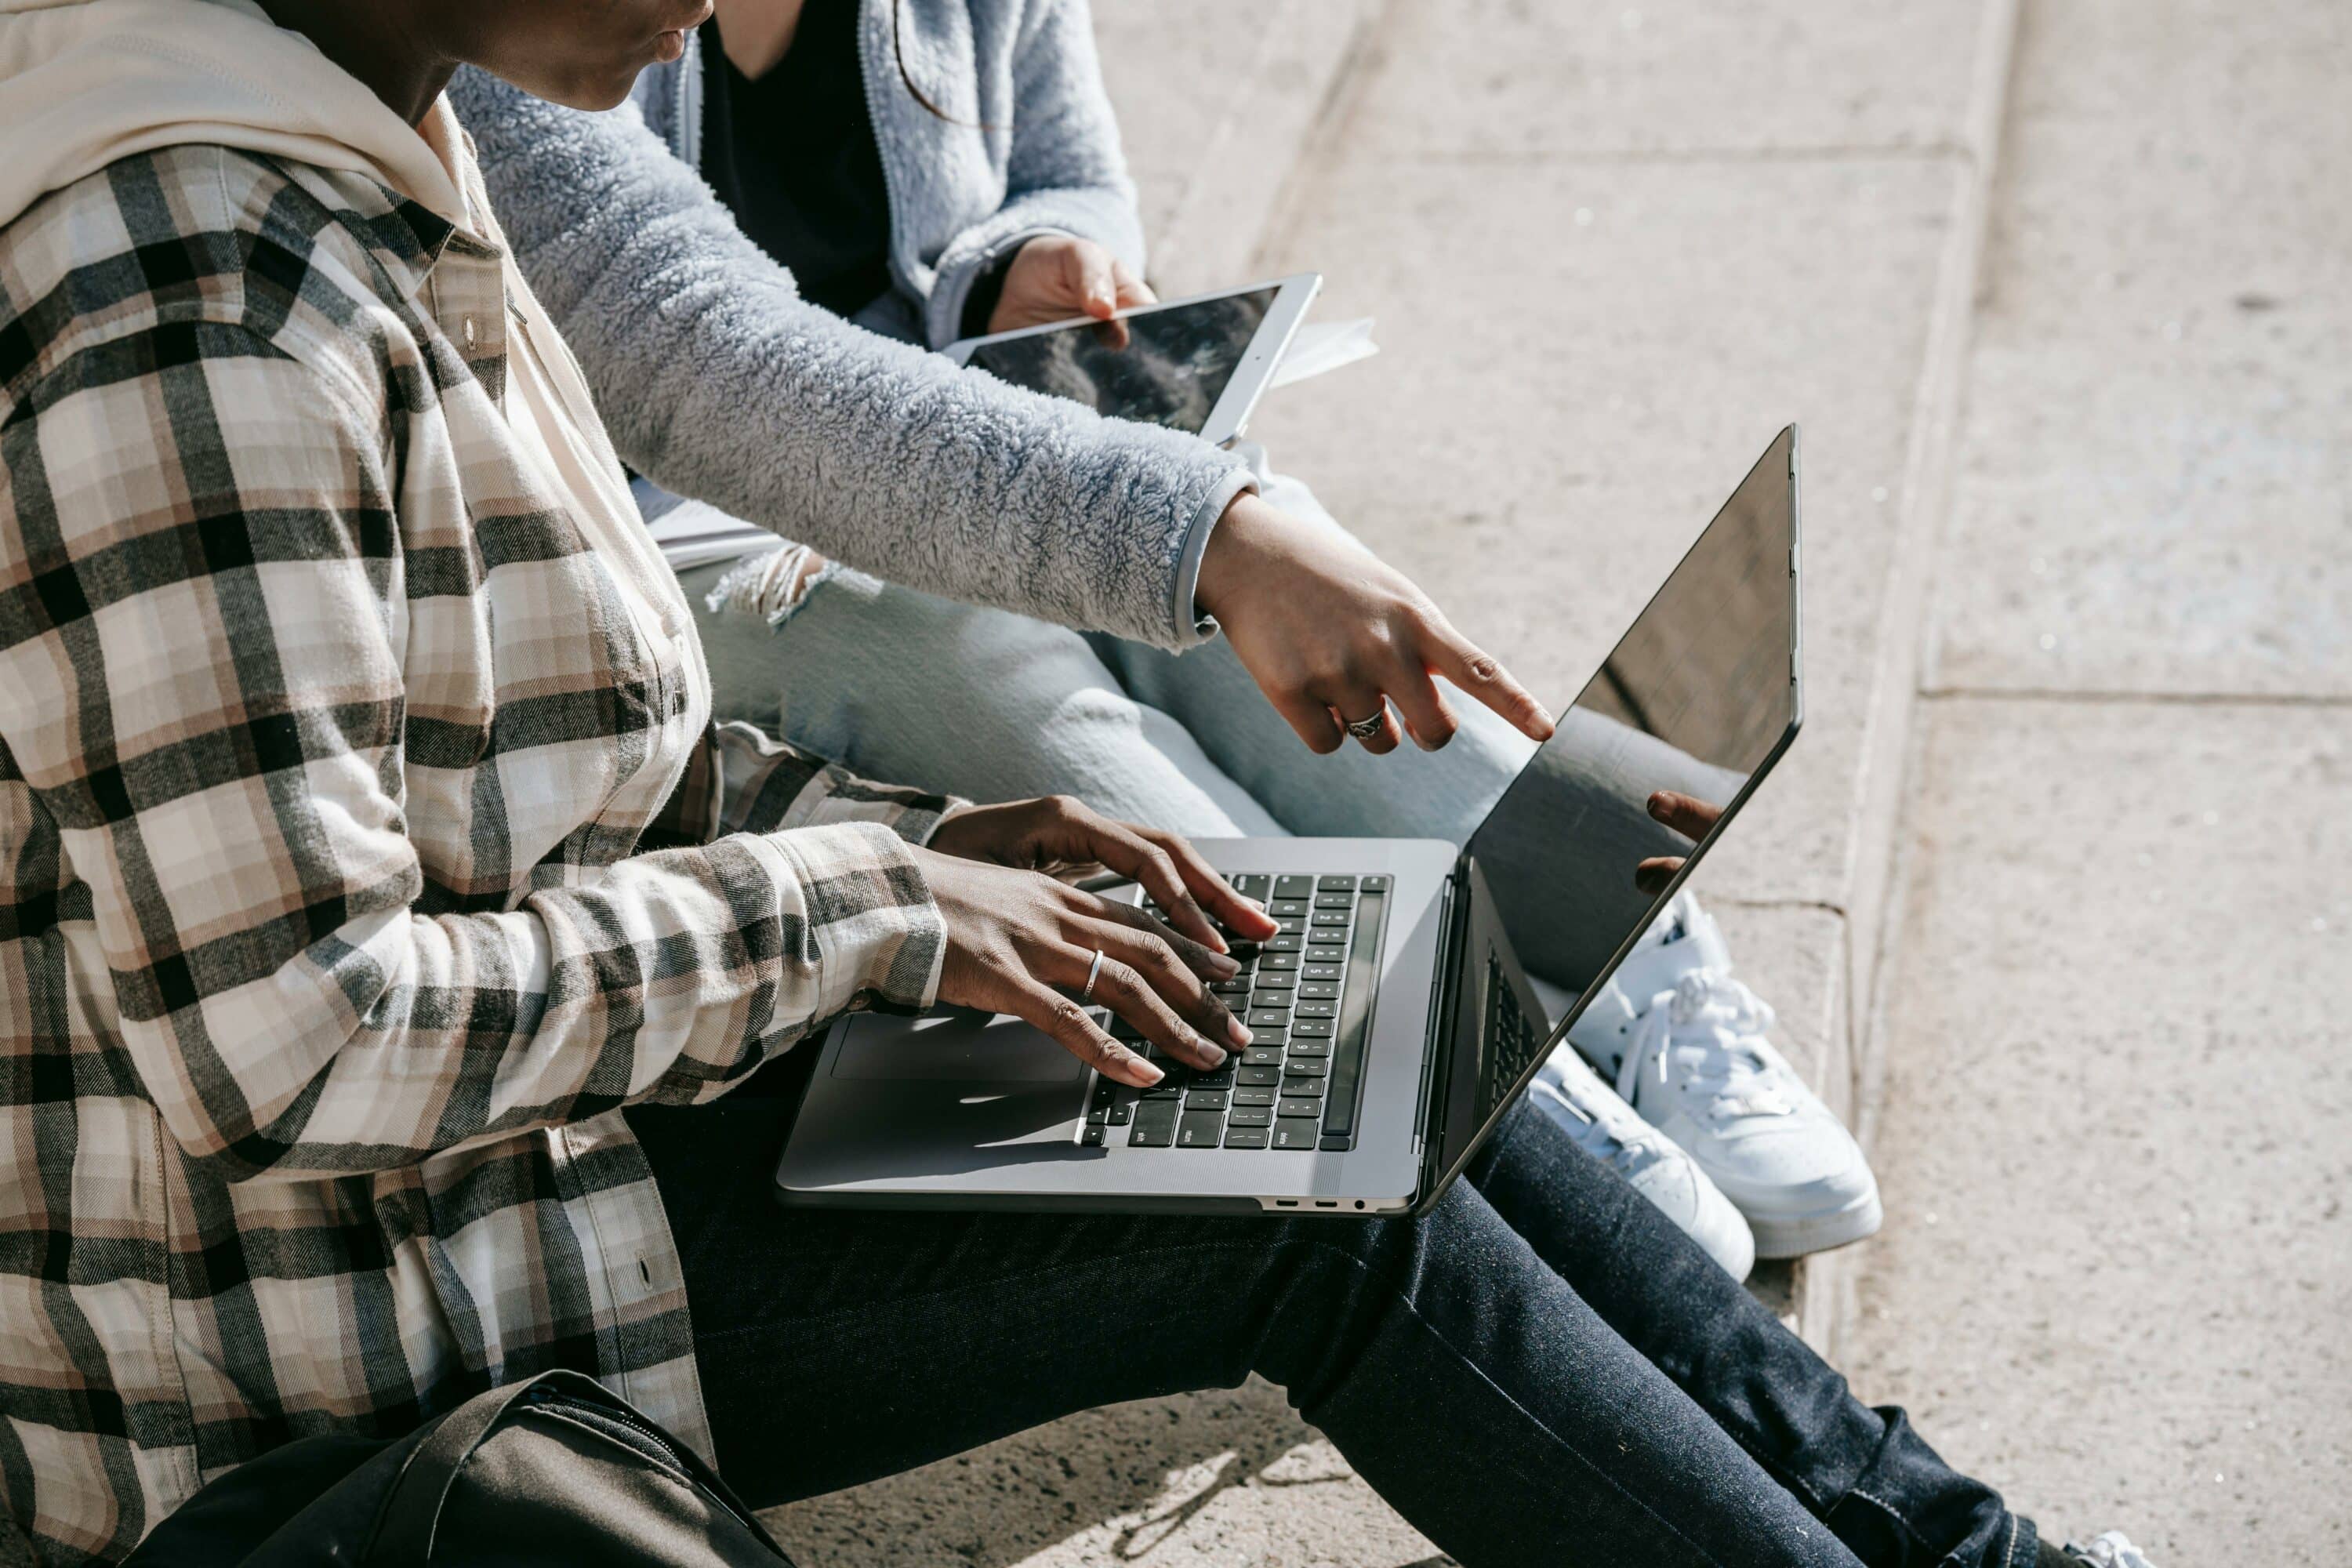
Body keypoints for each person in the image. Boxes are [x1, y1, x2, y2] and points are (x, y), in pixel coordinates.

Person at [0, 2, 2158, 1566]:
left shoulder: (387, 132)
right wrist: (879, 908)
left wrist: (913, 851)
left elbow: (531, 771)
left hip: (578, 1130)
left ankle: (1968, 1554)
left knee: (1359, 1009)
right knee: (1331, 1224)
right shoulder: (201, 303)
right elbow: (291, 1041)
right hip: (378, 1297)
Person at [446, 0, 1883, 1279]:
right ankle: (1440, 1058)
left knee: (1252, 576)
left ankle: (1622, 970)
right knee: (982, 647)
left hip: (947, 409)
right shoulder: (523, 24)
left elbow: (1070, 164)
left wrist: (1030, 263)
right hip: (660, 534)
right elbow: (693, 355)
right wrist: (1201, 532)